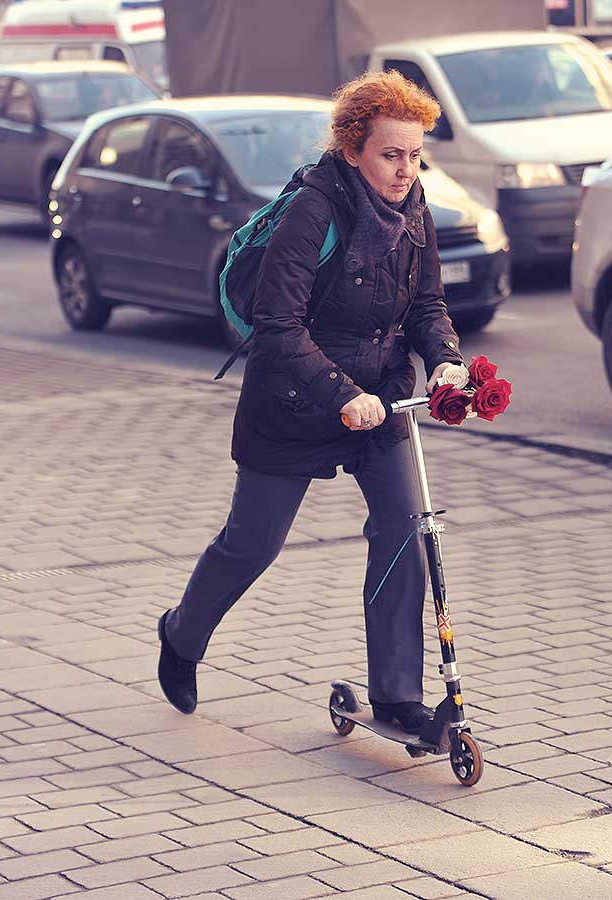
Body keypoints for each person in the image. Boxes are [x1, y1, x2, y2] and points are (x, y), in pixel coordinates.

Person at [155, 71, 465, 735]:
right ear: (353, 149)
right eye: (391, 154)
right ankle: (182, 637)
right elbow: (276, 321)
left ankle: (397, 696)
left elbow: (428, 306)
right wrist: (339, 394)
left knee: (405, 531)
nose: (406, 169)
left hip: (378, 398)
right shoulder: (314, 209)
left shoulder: (416, 210)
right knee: (253, 545)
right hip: (293, 398)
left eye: (415, 154)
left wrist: (444, 360)